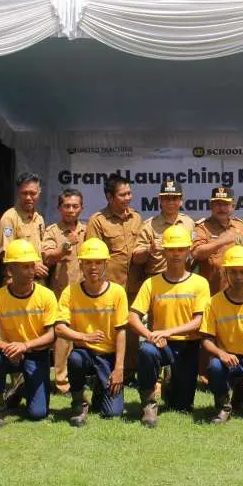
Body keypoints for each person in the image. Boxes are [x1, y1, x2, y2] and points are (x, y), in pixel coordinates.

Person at [129, 225, 211, 427]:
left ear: (188, 251)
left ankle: (168, 383)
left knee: (181, 407)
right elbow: (132, 316)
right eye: (171, 249)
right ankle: (148, 402)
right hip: (160, 344)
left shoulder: (200, 283)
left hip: (188, 346)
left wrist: (168, 331)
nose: (176, 254)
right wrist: (150, 335)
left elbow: (199, 321)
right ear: (164, 251)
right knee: (147, 352)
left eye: (181, 249)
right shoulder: (152, 283)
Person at [0, 239, 60, 429]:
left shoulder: (46, 295)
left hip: (36, 353)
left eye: (32, 265)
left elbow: (51, 335)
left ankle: (21, 388)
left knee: (38, 414)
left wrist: (25, 345)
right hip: (8, 352)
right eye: (24, 267)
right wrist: (7, 346)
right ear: (10, 270)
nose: (31, 271)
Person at [56, 238, 129, 426]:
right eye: (88, 262)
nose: (93, 267)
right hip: (85, 352)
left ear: (106, 264)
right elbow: (59, 328)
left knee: (112, 413)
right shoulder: (70, 292)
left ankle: (99, 391)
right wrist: (84, 337)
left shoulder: (117, 292)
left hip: (109, 356)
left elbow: (121, 332)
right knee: (75, 359)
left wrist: (119, 369)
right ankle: (79, 402)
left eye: (98, 262)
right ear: (81, 264)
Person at [201, 246, 243, 424]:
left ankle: (240, 393)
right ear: (226, 273)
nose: (238, 277)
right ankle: (223, 405)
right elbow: (207, 341)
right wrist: (222, 354)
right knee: (215, 366)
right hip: (228, 361)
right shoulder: (214, 302)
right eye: (233, 272)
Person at [86, 173, 144, 375]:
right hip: (109, 287)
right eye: (123, 194)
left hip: (133, 286)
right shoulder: (98, 221)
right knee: (110, 331)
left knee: (132, 331)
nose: (128, 197)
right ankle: (103, 371)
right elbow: (93, 256)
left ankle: (129, 371)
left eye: (129, 193)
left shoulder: (136, 217)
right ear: (110, 197)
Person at [41, 188, 84, 395]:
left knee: (83, 337)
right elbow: (47, 256)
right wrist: (65, 247)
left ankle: (81, 378)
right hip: (60, 292)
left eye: (75, 206)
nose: (71, 210)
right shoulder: (52, 231)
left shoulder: (87, 230)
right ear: (59, 208)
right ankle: (61, 382)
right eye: (66, 206)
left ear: (81, 208)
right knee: (63, 338)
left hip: (84, 292)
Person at [132, 179, 196, 280]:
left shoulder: (189, 223)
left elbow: (194, 253)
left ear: (181, 201)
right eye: (166, 198)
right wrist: (149, 249)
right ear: (160, 200)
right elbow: (136, 258)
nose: (170, 202)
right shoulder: (149, 226)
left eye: (174, 198)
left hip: (184, 279)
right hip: (157, 278)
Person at [192, 186, 243, 294]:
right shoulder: (202, 227)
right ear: (211, 206)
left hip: (237, 292)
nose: (221, 208)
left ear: (232, 207)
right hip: (211, 292)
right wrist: (221, 241)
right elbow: (196, 253)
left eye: (225, 204)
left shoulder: (241, 227)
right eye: (218, 204)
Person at [0, 172, 48, 284]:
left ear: (39, 193)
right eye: (24, 193)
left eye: (32, 193)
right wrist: (32, 267)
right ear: (18, 194)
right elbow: (5, 254)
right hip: (17, 284)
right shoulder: (9, 218)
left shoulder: (39, 218)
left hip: (37, 283)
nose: (28, 197)